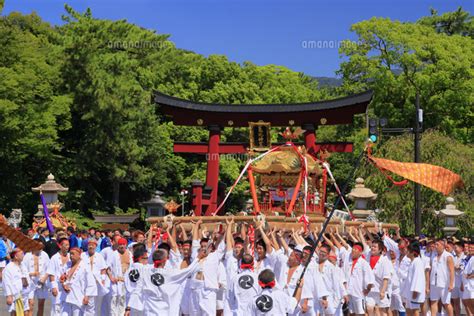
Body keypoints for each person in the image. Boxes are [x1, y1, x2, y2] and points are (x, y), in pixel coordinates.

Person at [59, 247, 96, 315]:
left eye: (73, 254)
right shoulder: (67, 265)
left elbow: (91, 283)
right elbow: (62, 278)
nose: (71, 256)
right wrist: (63, 285)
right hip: (66, 298)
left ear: (79, 255)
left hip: (78, 298)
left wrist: (87, 296)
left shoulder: (85, 267)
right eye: (70, 254)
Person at [343, 242, 374, 316]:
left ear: (360, 253)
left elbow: (370, 278)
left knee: (360, 313)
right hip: (349, 292)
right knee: (351, 313)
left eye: (355, 249)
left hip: (359, 293)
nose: (353, 251)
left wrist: (368, 289)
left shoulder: (364, 263)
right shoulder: (348, 262)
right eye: (353, 249)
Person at [81, 238, 108, 314]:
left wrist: (103, 279)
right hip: (84, 282)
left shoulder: (99, 256)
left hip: (96, 283)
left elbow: (103, 269)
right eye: (89, 245)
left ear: (96, 246)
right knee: (83, 303)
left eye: (93, 245)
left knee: (95, 305)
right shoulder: (82, 255)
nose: (91, 247)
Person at [429, 239, 455, 316]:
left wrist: (451, 284)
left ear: (443, 246)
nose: (435, 247)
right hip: (434, 283)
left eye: (437, 245)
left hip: (444, 284)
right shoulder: (433, 256)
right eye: (435, 245)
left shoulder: (448, 256)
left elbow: (452, 271)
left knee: (446, 303)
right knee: (433, 302)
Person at [22, 245, 50, 316]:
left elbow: (49, 268)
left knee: (41, 305)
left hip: (41, 281)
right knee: (30, 304)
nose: (40, 248)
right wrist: (31, 273)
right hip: (30, 282)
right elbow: (23, 269)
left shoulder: (45, 255)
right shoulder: (27, 256)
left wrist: (44, 278)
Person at [47, 237, 71, 316]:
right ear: (60, 246)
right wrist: (53, 287)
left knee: (67, 310)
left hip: (68, 288)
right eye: (66, 245)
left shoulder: (71, 256)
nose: (68, 247)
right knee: (56, 310)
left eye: (68, 245)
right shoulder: (54, 258)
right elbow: (51, 273)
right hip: (57, 287)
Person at [401, 242, 426, 316]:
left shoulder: (417, 262)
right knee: (408, 309)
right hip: (409, 292)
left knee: (415, 311)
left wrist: (415, 291)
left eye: (408, 251)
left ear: (412, 253)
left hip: (414, 292)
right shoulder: (413, 262)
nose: (406, 252)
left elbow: (418, 278)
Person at [3, 248, 29, 316]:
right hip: (14, 295)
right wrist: (9, 296)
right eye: (21, 253)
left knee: (26, 312)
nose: (23, 255)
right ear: (16, 256)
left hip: (24, 294)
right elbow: (6, 283)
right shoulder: (9, 268)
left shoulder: (23, 265)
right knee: (14, 313)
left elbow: (27, 277)